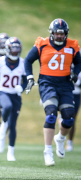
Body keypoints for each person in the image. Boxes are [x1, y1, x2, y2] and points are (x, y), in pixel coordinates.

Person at [25, 19, 81, 166]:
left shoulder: (72, 45)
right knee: (50, 114)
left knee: (69, 117)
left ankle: (60, 139)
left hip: (65, 85)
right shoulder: (42, 44)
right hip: (47, 84)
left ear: (66, 34)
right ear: (51, 33)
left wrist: (75, 72)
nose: (59, 37)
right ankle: (48, 151)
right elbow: (28, 61)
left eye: (62, 34)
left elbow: (79, 62)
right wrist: (30, 77)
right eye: (56, 33)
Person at [0, 37, 27, 161]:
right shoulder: (0, 61)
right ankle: (3, 125)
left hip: (16, 95)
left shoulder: (22, 62)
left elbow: (26, 81)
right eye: (13, 48)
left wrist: (22, 87)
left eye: (17, 49)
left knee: (13, 125)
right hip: (3, 92)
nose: (15, 51)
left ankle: (10, 152)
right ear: (8, 49)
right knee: (7, 107)